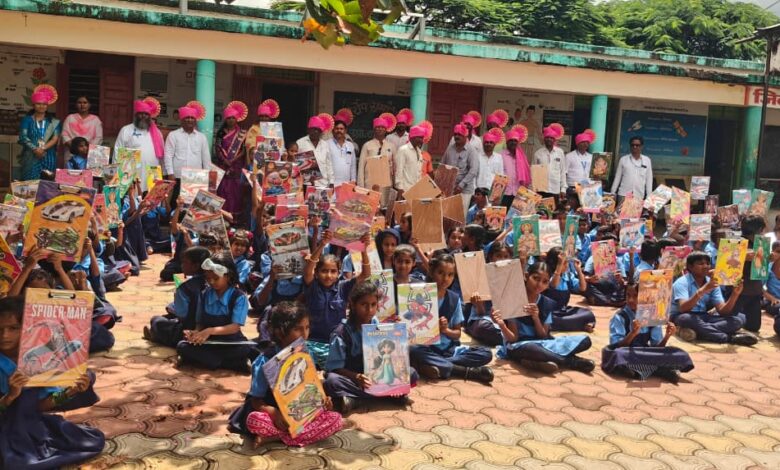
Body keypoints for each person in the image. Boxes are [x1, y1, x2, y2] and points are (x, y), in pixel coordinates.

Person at [0, 297, 106, 469]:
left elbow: (41, 405)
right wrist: (10, 397)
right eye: (0, 329)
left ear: (26, 328)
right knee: (18, 461)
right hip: (5, 424)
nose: (5, 335)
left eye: (13, 328)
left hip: (29, 422)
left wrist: (70, 392)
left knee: (89, 441)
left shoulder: (37, 357)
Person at [228, 302, 342, 447]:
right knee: (255, 420)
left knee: (336, 419)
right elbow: (255, 400)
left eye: (307, 327)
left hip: (300, 413)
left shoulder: (307, 354)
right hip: (275, 415)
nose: (304, 334)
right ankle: (295, 435)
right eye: (297, 329)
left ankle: (277, 437)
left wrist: (323, 400)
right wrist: (274, 413)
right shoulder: (264, 361)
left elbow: (311, 386)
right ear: (280, 332)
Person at [324, 282, 417, 413]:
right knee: (332, 381)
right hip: (355, 378)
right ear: (353, 305)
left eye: (373, 305)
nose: (369, 310)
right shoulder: (341, 333)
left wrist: (395, 332)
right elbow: (334, 368)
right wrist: (357, 377)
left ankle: (357, 399)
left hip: (378, 375)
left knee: (411, 373)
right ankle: (387, 395)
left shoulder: (376, 324)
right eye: (364, 305)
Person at [492, 261, 595, 373]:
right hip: (520, 345)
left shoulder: (547, 303)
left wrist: (536, 318)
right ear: (526, 276)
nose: (539, 284)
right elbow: (513, 339)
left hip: (542, 342)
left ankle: (537, 361)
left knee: (585, 340)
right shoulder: (513, 300)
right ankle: (571, 361)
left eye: (545, 282)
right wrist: (502, 325)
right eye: (536, 278)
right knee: (531, 348)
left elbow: (543, 335)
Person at [410, 254, 494, 383]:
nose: (445, 279)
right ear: (431, 272)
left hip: (448, 350)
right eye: (441, 273)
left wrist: (445, 330)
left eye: (450, 275)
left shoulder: (454, 299)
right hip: (426, 348)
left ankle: (435, 365)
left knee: (485, 353)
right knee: (412, 350)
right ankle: (464, 371)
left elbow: (457, 334)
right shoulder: (418, 296)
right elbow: (411, 331)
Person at [176, 252, 257, 371]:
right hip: (209, 342)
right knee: (182, 345)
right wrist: (196, 333)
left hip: (231, 343)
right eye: (208, 278)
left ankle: (207, 361)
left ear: (228, 276)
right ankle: (233, 363)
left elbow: (235, 327)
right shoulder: (204, 294)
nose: (212, 282)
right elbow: (200, 322)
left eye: (216, 278)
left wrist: (210, 330)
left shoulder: (238, 297)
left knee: (246, 349)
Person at [303, 230, 371, 368]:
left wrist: (363, 250)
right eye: (324, 271)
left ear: (338, 273)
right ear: (317, 273)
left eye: (333, 271)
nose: (329, 275)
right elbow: (308, 271)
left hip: (336, 343)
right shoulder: (312, 286)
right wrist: (322, 244)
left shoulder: (343, 287)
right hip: (312, 342)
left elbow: (365, 274)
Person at [602, 283, 694, 383]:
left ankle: (641, 370)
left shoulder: (652, 316)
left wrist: (667, 336)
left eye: (635, 296)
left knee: (679, 353)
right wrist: (633, 333)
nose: (631, 300)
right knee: (619, 355)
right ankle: (661, 370)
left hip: (644, 353)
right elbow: (617, 346)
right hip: (628, 352)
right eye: (628, 295)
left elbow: (657, 348)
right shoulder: (620, 317)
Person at [670, 251, 756, 345]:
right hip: (682, 315)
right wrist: (703, 290)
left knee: (739, 319)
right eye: (700, 264)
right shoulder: (681, 282)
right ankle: (728, 337)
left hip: (703, 316)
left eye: (707, 263)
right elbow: (683, 308)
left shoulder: (712, 282)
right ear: (690, 267)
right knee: (686, 319)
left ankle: (699, 332)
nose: (705, 266)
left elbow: (723, 311)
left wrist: (735, 294)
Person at [146, 246, 211, 347]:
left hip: (188, 331)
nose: (182, 265)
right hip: (210, 329)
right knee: (167, 317)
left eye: (185, 262)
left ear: (195, 266)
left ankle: (156, 334)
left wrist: (174, 306)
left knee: (157, 320)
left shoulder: (184, 288)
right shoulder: (214, 283)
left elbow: (182, 315)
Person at [115, 97, 165, 192]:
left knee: (151, 197)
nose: (143, 116)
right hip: (131, 173)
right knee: (133, 197)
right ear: (136, 115)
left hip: (153, 172)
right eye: (140, 113)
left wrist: (164, 172)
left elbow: (162, 154)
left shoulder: (157, 132)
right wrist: (117, 172)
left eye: (146, 114)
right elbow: (118, 151)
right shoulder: (126, 130)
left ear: (150, 116)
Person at [214, 101, 250, 227]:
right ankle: (223, 217)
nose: (231, 120)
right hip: (223, 166)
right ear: (225, 119)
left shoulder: (242, 133)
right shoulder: (221, 133)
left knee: (236, 193)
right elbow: (217, 148)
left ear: (237, 119)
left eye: (233, 118)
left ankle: (235, 220)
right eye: (229, 118)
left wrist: (233, 160)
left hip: (236, 167)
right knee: (223, 191)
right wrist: (225, 160)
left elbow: (244, 151)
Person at [18, 84, 61, 180]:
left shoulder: (54, 122)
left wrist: (42, 149)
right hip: (31, 155)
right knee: (29, 182)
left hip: (48, 155)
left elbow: (55, 139)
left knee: (47, 183)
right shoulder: (27, 120)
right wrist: (35, 149)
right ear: (33, 105)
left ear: (47, 106)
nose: (41, 106)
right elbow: (23, 137)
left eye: (44, 104)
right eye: (38, 104)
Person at [163, 101, 211, 183]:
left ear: (195, 121)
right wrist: (170, 173)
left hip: (196, 176)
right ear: (182, 119)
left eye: (192, 118)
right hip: (178, 176)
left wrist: (208, 174)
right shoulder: (173, 135)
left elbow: (206, 158)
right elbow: (168, 155)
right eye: (187, 117)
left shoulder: (202, 137)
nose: (190, 120)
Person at [442, 124, 479, 216]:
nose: (457, 136)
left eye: (459, 134)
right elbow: (443, 165)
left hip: (464, 190)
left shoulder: (471, 150)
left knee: (460, 216)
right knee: (448, 215)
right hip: (449, 189)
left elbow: (473, 170)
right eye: (455, 134)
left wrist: (461, 186)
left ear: (465, 136)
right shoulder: (450, 148)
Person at [358, 116, 397, 189]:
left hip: (386, 185)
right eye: (378, 127)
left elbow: (395, 167)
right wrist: (361, 186)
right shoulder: (367, 145)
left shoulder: (391, 146)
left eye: (382, 127)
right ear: (374, 129)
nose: (380, 129)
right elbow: (361, 166)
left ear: (386, 130)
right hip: (370, 184)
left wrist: (396, 185)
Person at [60, 95, 103, 160]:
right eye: (79, 102)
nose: (82, 105)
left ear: (89, 105)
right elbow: (64, 135)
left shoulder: (96, 120)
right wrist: (76, 148)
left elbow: (98, 137)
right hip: (72, 153)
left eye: (85, 102)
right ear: (76, 105)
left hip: (89, 154)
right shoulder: (70, 118)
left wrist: (87, 149)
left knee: (88, 167)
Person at [297, 114, 335, 186]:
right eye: (313, 129)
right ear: (308, 130)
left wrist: (331, 182)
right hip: (306, 184)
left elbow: (329, 165)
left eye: (318, 130)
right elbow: (295, 165)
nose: (315, 131)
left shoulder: (325, 145)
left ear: (321, 132)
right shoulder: (300, 143)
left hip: (323, 184)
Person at [612, 136, 653, 201]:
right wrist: (612, 192)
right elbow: (617, 177)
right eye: (632, 145)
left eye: (637, 145)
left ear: (641, 146)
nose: (634, 147)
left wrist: (649, 195)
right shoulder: (623, 159)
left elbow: (649, 179)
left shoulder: (647, 160)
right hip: (623, 195)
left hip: (638, 196)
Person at [533, 124, 567, 199]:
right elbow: (535, 174)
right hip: (541, 190)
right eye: (547, 137)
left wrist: (563, 188)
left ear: (554, 140)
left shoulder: (560, 152)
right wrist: (534, 189)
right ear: (544, 139)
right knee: (541, 207)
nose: (549, 139)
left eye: (551, 138)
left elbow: (562, 171)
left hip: (555, 189)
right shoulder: (538, 153)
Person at [501, 125, 531, 207]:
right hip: (505, 192)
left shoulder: (522, 157)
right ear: (507, 142)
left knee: (515, 215)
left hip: (519, 192)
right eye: (511, 140)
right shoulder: (501, 155)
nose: (513, 142)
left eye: (515, 140)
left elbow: (527, 174)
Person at [394, 125, 426, 197]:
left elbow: (419, 172)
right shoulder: (403, 150)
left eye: (422, 138)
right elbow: (399, 170)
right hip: (405, 189)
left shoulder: (419, 152)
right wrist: (400, 188)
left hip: (416, 190)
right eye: (420, 138)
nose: (421, 140)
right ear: (413, 137)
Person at [328, 119, 357, 185]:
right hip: (331, 183)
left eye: (341, 129)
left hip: (346, 183)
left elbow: (353, 165)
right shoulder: (327, 144)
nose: (339, 130)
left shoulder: (350, 145)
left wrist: (353, 180)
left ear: (345, 131)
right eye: (337, 128)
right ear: (333, 130)